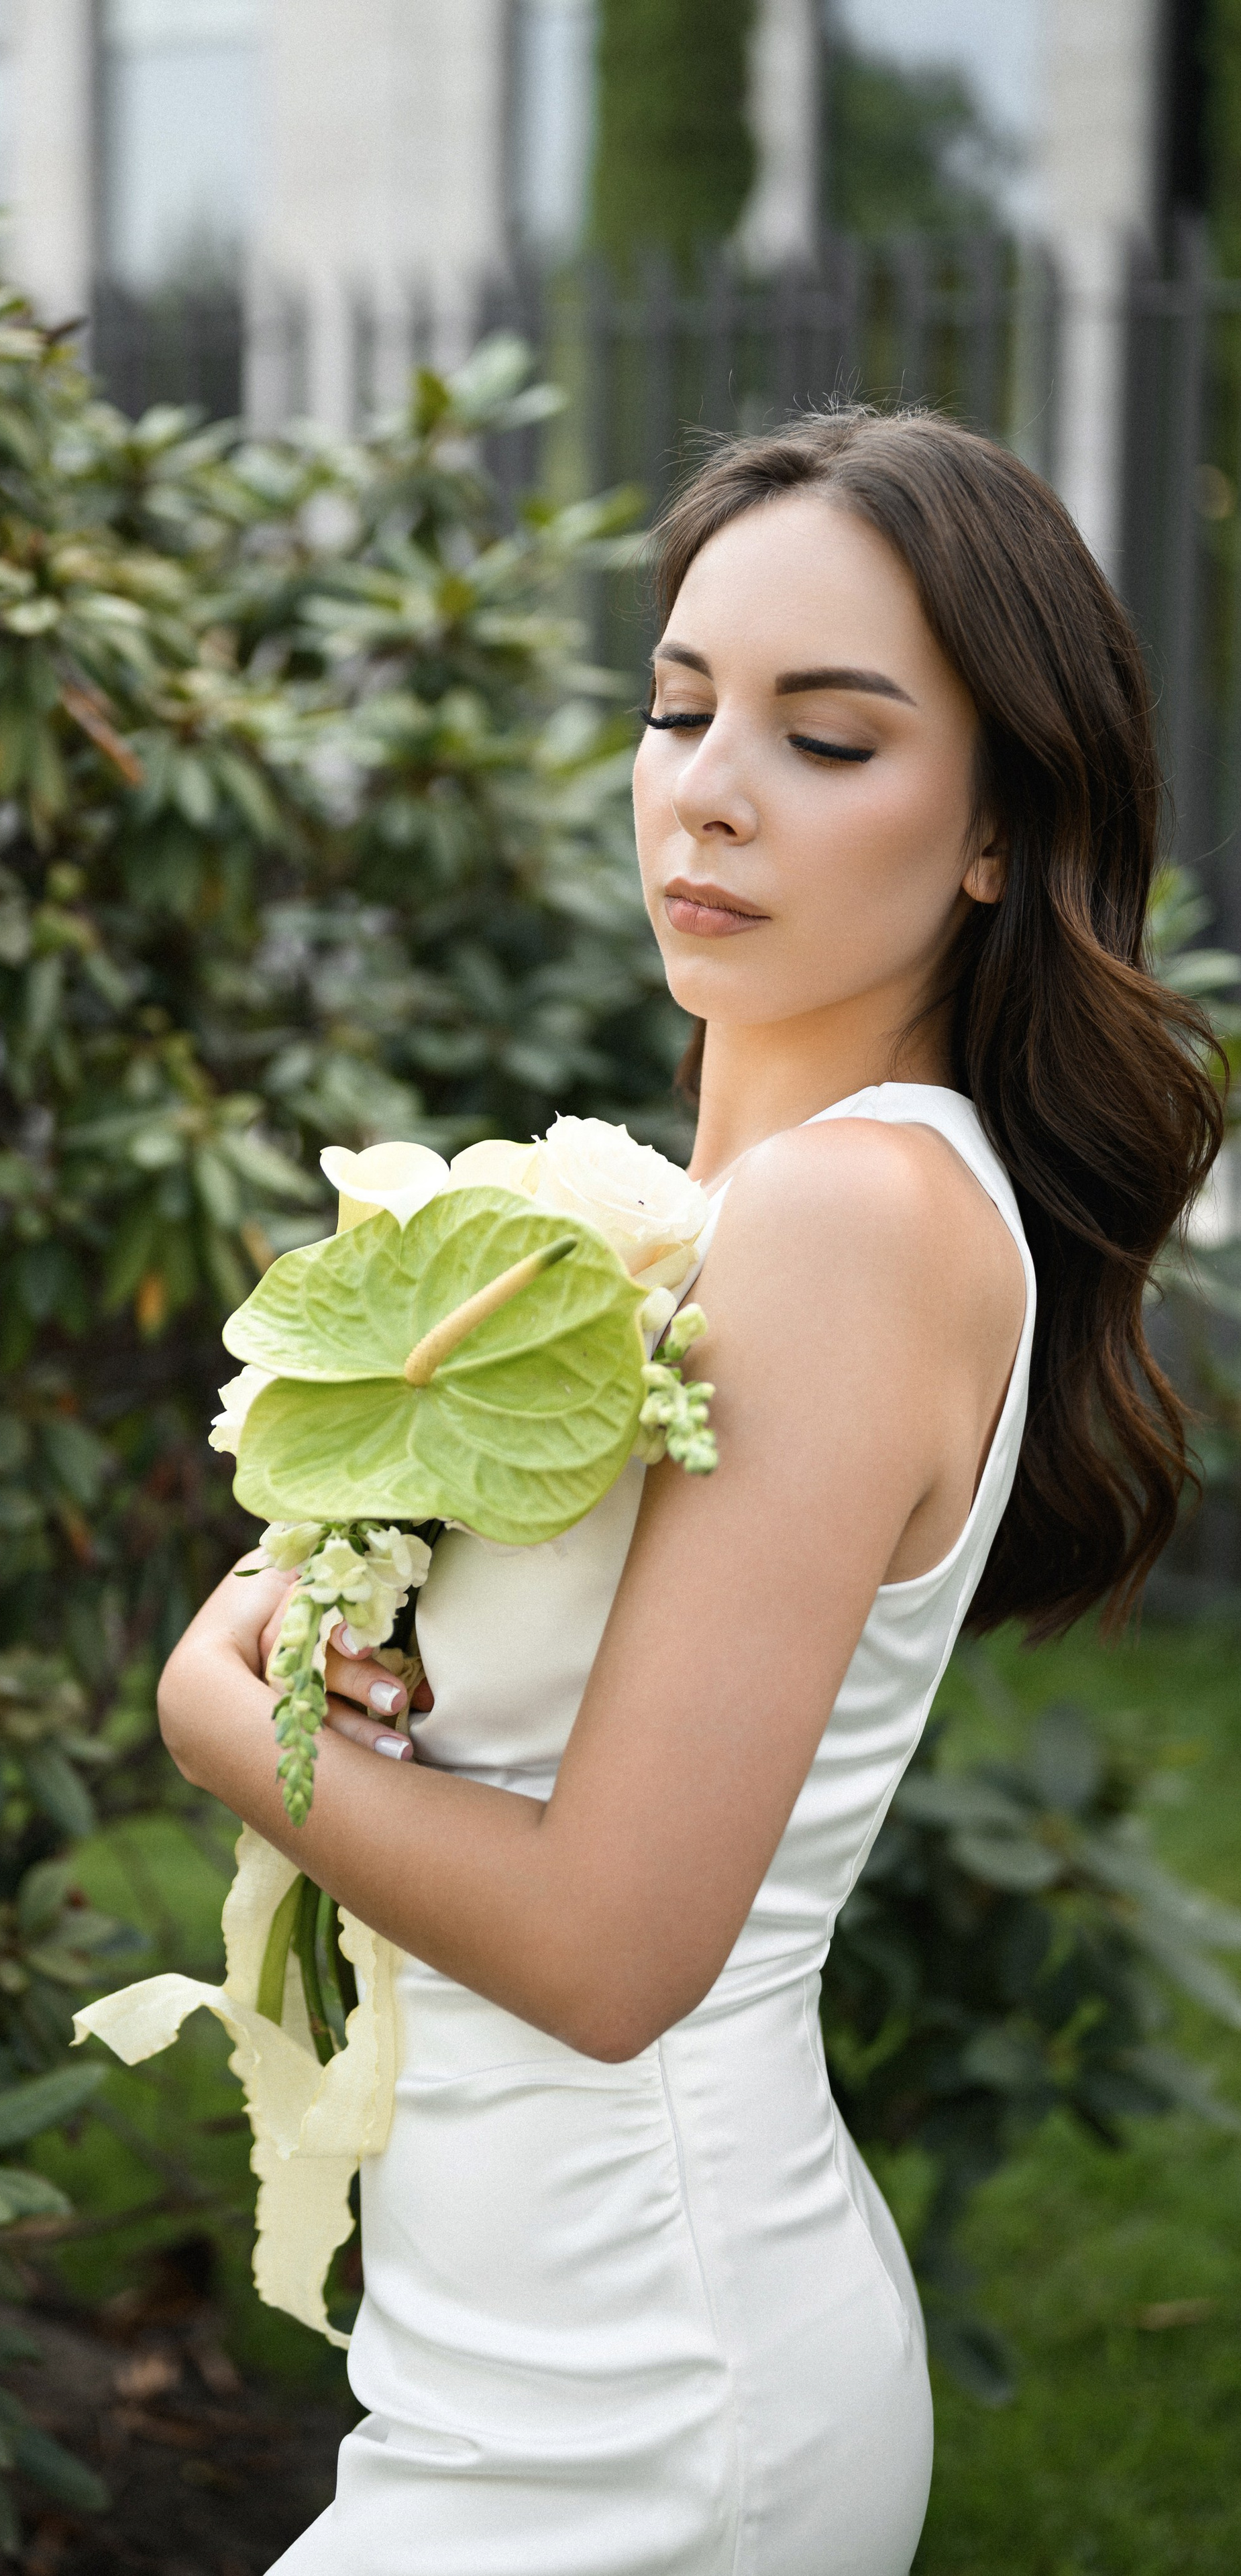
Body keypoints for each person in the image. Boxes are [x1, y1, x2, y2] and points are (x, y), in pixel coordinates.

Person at [156, 408, 1224, 2576]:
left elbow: (613, 1943)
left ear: (1001, 827)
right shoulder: (731, 1211)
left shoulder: (854, 1221)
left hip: (641, 2397)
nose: (708, 787)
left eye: (830, 740)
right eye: (677, 706)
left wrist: (210, 1701)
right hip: (515, 2338)